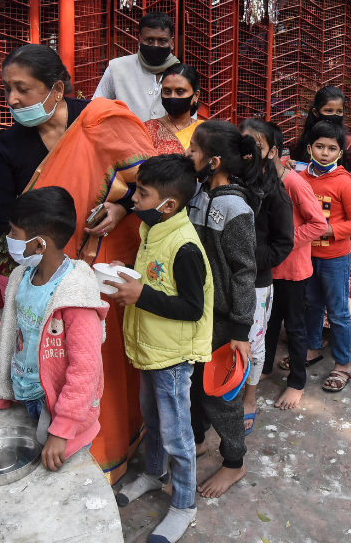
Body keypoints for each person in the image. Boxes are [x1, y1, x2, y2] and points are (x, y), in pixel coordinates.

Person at [0, 43, 155, 482]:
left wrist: (123, 207)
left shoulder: (101, 119)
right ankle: (71, 446)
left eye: (23, 89)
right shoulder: (10, 145)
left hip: (109, 259)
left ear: (56, 89)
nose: (12, 100)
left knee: (101, 355)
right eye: (7, 90)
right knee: (57, 357)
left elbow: (153, 182)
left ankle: (116, 442)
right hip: (50, 271)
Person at [107, 155, 212, 543]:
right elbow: (156, 280)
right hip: (151, 349)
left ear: (168, 204)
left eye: (142, 193)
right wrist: (128, 276)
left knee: (176, 434)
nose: (133, 199)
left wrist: (141, 295)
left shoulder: (184, 246)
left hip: (172, 357)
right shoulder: (154, 229)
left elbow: (192, 308)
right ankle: (154, 473)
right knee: (151, 417)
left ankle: (184, 504)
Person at [0, 187, 107, 472]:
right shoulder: (21, 277)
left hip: (57, 409)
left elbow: (85, 370)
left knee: (61, 479)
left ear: (40, 245)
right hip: (26, 396)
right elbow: (8, 335)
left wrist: (62, 429)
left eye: (14, 233)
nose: (8, 238)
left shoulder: (75, 296)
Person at [186, 120, 259, 497]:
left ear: (213, 162)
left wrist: (241, 329)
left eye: (194, 150)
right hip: (197, 314)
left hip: (223, 320)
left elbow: (245, 271)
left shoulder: (234, 207)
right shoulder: (199, 194)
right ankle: (198, 439)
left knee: (219, 395)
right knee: (193, 386)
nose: (188, 155)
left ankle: (234, 461)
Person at [256, 123, 327, 411]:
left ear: (273, 151)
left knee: (295, 326)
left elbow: (318, 224)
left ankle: (297, 382)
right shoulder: (255, 179)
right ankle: (265, 367)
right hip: (267, 267)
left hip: (292, 269)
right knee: (267, 322)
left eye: (255, 146)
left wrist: (283, 243)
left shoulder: (294, 183)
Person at [300, 121, 351, 393]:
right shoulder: (300, 179)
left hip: (335, 258)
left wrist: (328, 229)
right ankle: (311, 349)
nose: (325, 153)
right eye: (319, 147)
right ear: (309, 148)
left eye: (331, 148)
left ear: (340, 153)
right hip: (306, 255)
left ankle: (343, 365)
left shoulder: (345, 183)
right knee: (311, 305)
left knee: (339, 311)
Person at [237, 119, 294, 434]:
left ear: (272, 152)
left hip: (257, 282)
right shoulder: (229, 183)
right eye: (242, 143)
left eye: (256, 145)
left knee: (253, 341)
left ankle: (250, 396)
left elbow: (283, 243)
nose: (247, 151)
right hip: (225, 276)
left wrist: (250, 262)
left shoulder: (276, 194)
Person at [93, 10, 178, 122]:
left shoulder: (182, 73)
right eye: (149, 40)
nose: (155, 45)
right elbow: (95, 109)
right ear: (139, 40)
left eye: (162, 41)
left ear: (171, 43)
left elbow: (190, 119)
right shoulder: (117, 68)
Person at [291, 86, 351, 190]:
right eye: (329, 111)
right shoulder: (306, 138)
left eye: (339, 111)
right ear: (316, 112)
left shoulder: (348, 143)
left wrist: (328, 178)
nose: (334, 115)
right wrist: (291, 166)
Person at [144, 62, 205, 155]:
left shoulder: (204, 132)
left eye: (180, 91)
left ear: (196, 96)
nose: (172, 97)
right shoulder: (148, 130)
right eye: (167, 91)